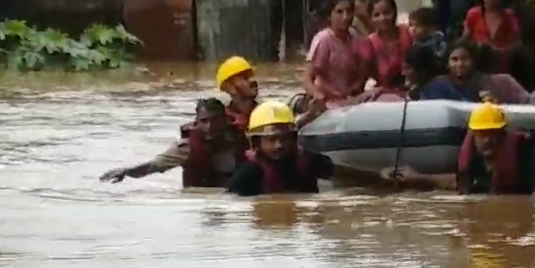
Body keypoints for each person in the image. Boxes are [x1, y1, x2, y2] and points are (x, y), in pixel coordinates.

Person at [226, 100, 387, 197]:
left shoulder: (307, 160)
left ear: (294, 138)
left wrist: (379, 177)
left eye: (284, 139)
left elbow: (340, 173)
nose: (279, 145)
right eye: (271, 140)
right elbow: (230, 202)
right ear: (257, 143)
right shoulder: (248, 173)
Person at [381, 102, 535, 195]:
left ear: (502, 135)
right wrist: (415, 178)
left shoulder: (520, 151)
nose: (487, 140)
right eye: (482, 134)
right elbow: (457, 183)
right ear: (473, 135)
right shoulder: (472, 158)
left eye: (492, 133)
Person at [99, 98, 247, 187]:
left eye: (215, 120)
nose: (209, 127)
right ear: (197, 123)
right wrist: (126, 172)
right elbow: (153, 166)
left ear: (225, 120)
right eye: (204, 121)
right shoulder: (186, 148)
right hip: (201, 198)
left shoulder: (240, 136)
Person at [304, 0, 374, 106]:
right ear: (329, 16)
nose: (345, 17)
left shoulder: (354, 36)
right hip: (329, 102)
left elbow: (370, 55)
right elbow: (307, 78)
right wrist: (317, 95)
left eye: (349, 11)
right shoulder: (324, 40)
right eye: (339, 12)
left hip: (349, 99)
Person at [420, 39, 532, 104]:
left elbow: (526, 103)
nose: (460, 64)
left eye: (465, 59)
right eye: (454, 59)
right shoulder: (436, 86)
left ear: (473, 61)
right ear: (447, 64)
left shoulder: (495, 82)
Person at [462, 0, 521, 74]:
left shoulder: (509, 15)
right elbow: (465, 41)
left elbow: (518, 43)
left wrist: (502, 52)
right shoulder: (474, 14)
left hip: (503, 67)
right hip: (477, 66)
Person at [366, 0, 413, 90]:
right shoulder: (369, 43)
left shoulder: (407, 32)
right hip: (386, 94)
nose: (382, 18)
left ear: (395, 12)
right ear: (370, 19)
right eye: (376, 15)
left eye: (387, 13)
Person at [214, 55, 259, 130]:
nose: (253, 80)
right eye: (245, 78)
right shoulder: (221, 122)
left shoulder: (267, 112)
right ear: (230, 87)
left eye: (252, 76)